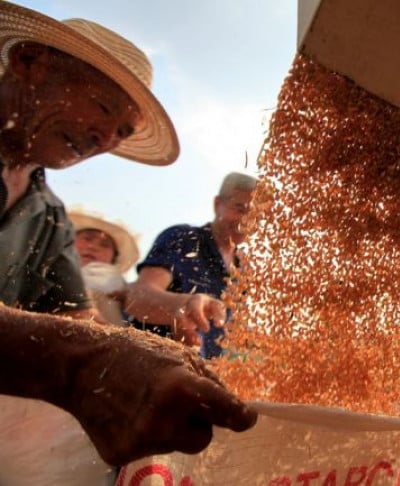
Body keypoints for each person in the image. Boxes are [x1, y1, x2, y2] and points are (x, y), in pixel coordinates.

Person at [0, 0, 256, 467]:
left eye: (120, 130)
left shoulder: (49, 214)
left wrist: (157, 346)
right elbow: (119, 309)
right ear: (29, 62)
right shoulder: (182, 239)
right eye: (101, 107)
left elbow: (80, 323)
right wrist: (82, 364)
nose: (105, 139)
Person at [126, 171, 257, 358]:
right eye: (240, 209)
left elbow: (232, 330)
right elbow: (138, 296)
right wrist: (182, 306)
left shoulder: (244, 268)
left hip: (209, 373)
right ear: (218, 204)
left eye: (256, 215)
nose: (246, 221)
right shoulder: (182, 238)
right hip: (156, 363)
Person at [69, 210, 140, 326]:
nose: (93, 247)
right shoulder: (44, 271)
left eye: (104, 245)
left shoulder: (123, 288)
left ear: (113, 257)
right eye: (87, 238)